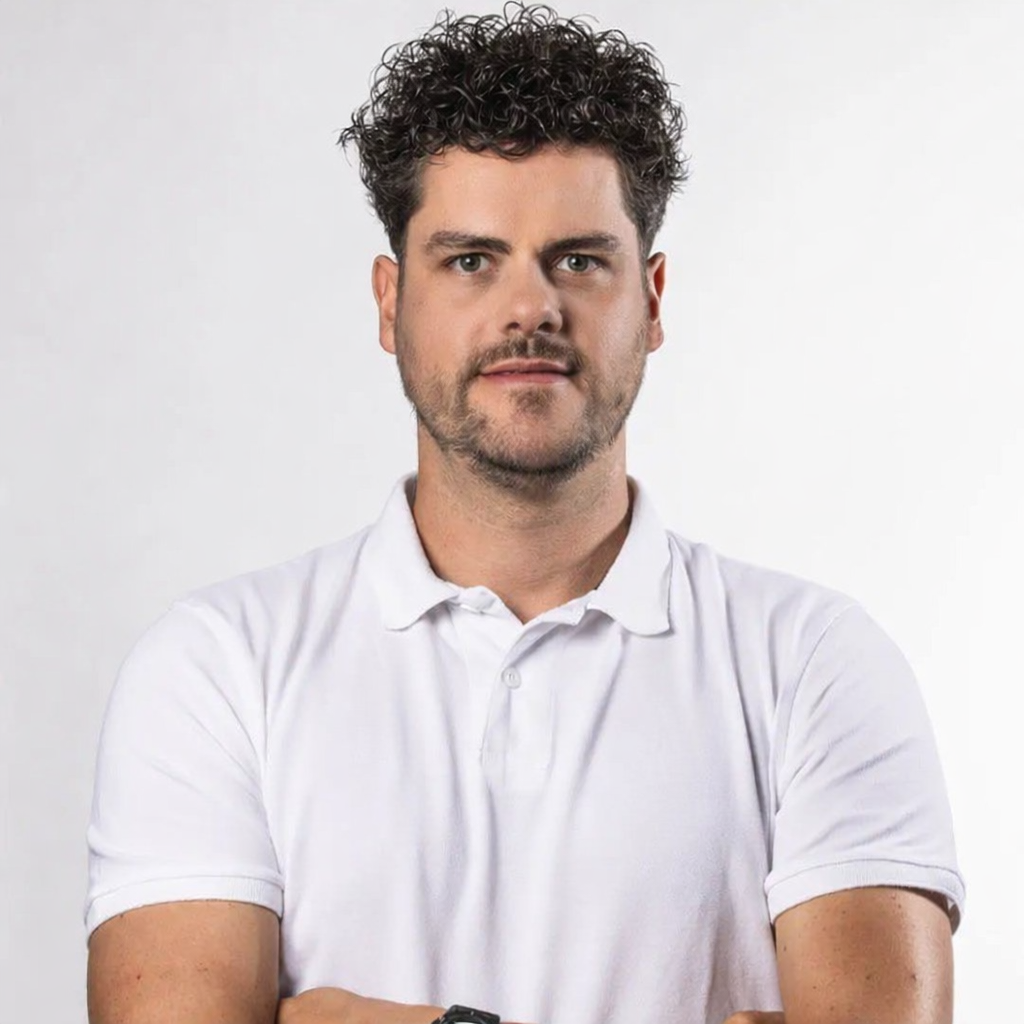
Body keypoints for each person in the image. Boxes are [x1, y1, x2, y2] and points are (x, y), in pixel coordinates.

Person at [83, 5, 965, 1024]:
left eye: (579, 260)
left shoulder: (814, 664)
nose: (528, 308)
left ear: (653, 296)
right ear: (388, 301)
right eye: (469, 259)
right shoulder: (216, 669)